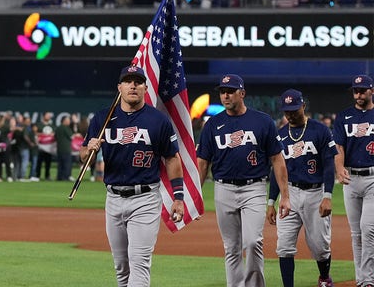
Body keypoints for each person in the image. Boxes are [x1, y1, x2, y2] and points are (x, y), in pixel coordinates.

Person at [80, 66, 185, 287]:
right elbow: (83, 157)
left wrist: (178, 196)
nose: (133, 85)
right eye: (128, 81)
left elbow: (172, 158)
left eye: (138, 81)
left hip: (145, 198)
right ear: (120, 87)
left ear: (146, 88)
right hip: (114, 198)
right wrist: (89, 149)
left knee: (139, 262)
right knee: (121, 267)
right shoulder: (102, 118)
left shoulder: (158, 120)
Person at [196, 74, 291, 287]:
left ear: (242, 93)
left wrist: (284, 196)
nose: (226, 95)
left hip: (254, 187)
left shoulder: (262, 121)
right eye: (222, 91)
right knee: (231, 247)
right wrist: (195, 195)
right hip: (223, 188)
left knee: (253, 241)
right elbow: (203, 163)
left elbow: (277, 159)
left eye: (230, 91)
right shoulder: (213, 124)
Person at [266, 89, 337, 287]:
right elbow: (276, 172)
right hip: (289, 193)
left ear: (303, 106)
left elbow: (329, 164)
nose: (290, 114)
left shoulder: (320, 130)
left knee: (320, 246)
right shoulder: (279, 135)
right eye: (286, 111)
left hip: (315, 193)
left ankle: (324, 278)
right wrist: (271, 201)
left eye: (294, 110)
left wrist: (328, 195)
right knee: (284, 246)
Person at [334, 74, 374, 287]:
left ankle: (368, 279)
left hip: (373, 178)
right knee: (356, 233)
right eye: (355, 91)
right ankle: (362, 279)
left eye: (362, 90)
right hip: (350, 178)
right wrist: (339, 168)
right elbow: (338, 146)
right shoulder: (344, 117)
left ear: (372, 91)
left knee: (368, 229)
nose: (358, 94)